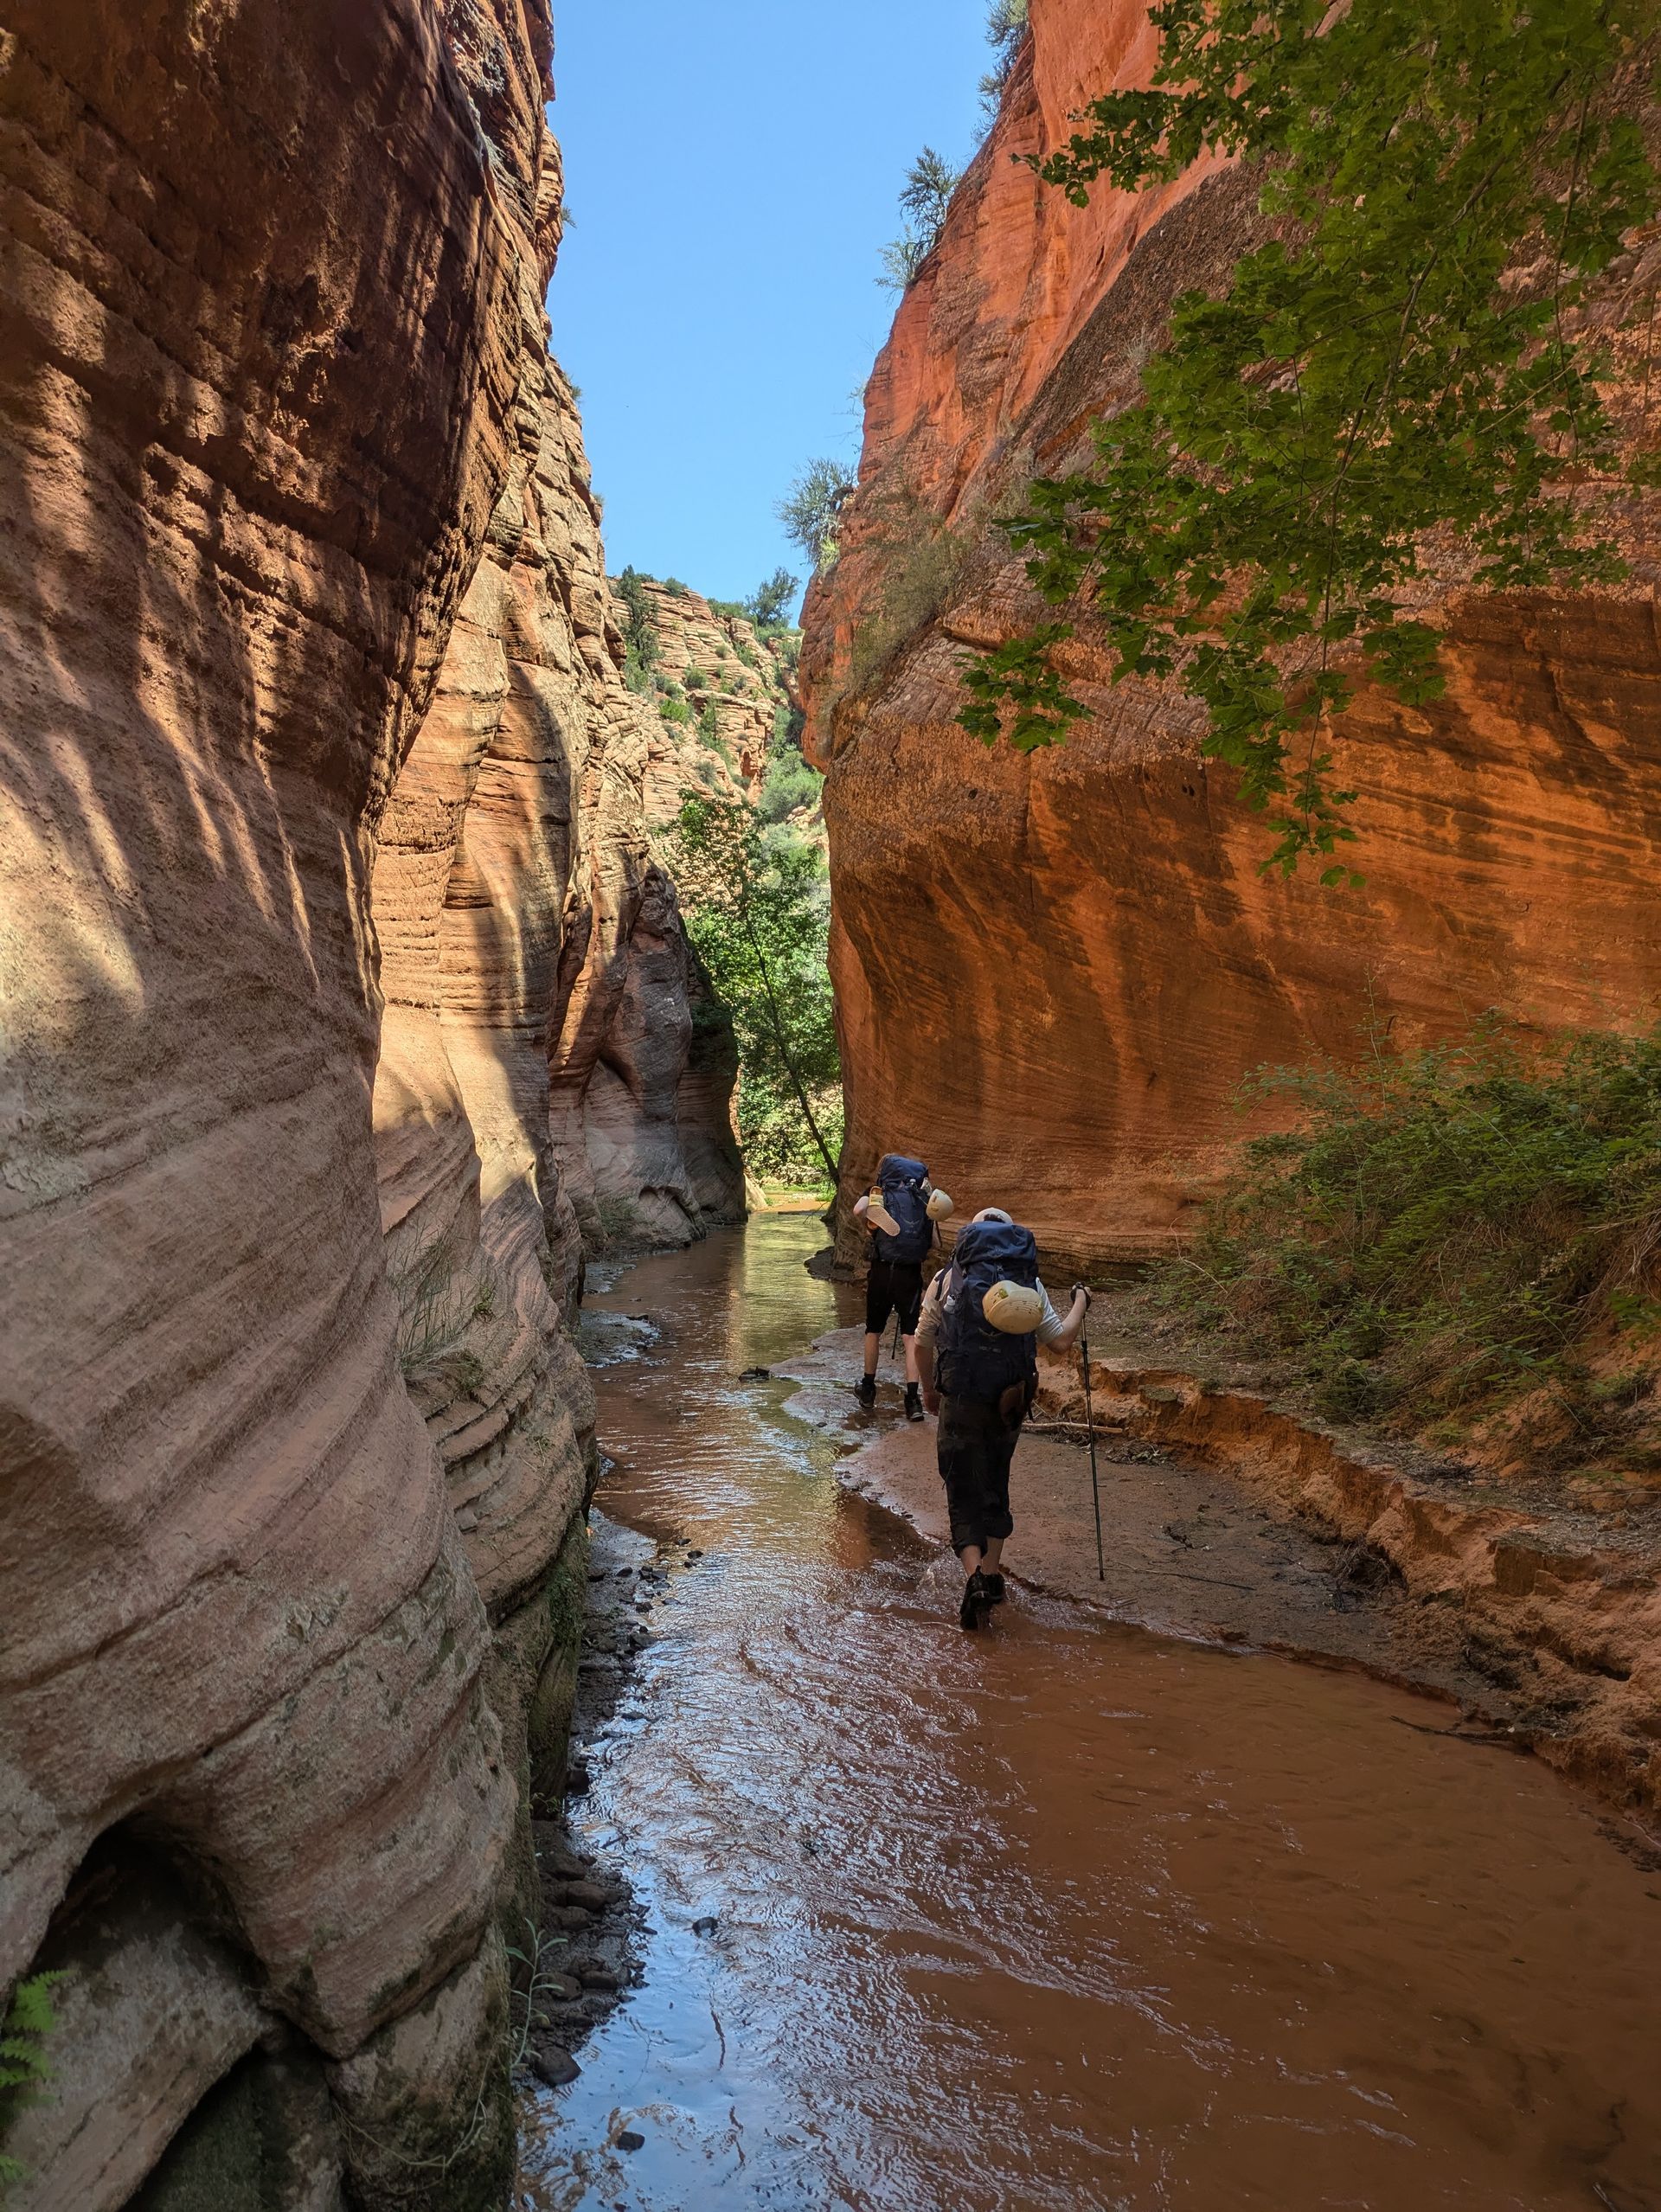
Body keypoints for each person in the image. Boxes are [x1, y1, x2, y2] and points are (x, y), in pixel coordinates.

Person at [915, 1208, 1090, 1631]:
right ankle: (991, 1578)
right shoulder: (1029, 1286)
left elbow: (922, 1341)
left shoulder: (945, 1280)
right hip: (1008, 1402)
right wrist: (1081, 1301)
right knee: (995, 1483)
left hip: (960, 1397)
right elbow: (1061, 1342)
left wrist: (929, 1390)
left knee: (962, 1490)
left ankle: (974, 1577)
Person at [853, 1152, 946, 1421]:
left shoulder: (877, 1191)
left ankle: (868, 1389)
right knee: (909, 1337)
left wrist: (874, 1223)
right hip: (910, 1274)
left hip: (882, 1270)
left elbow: (859, 1210)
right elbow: (936, 1244)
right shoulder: (923, 1199)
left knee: (874, 1330)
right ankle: (912, 1401)